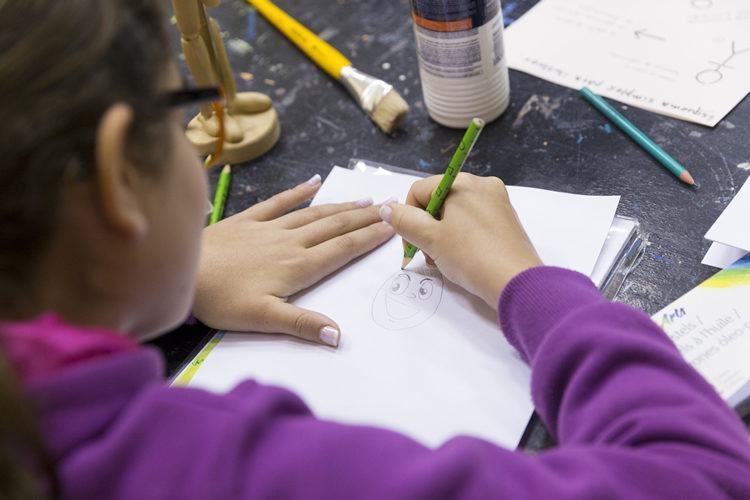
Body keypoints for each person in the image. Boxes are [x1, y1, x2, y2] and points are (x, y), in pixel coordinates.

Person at [1, 1, 749, 499]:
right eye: (185, 117)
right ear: (115, 182)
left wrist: (145, 282)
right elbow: (699, 473)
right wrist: (531, 284)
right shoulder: (214, 470)